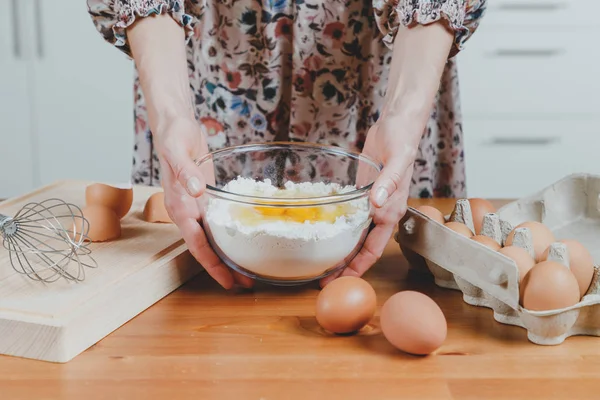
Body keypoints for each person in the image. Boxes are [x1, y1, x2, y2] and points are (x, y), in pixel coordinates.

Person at [87, 0, 487, 290]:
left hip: (384, 65)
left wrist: (405, 110)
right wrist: (172, 114)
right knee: (198, 208)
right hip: (206, 65)